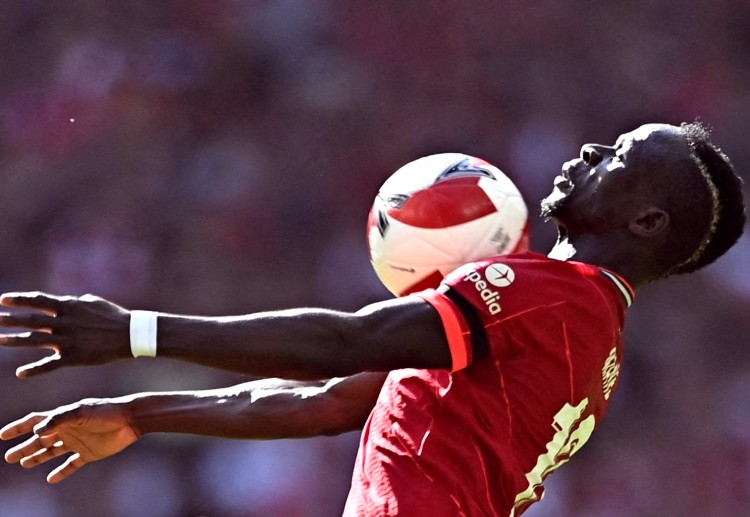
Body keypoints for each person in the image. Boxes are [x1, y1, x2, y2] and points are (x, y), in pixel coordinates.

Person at [0, 122, 745, 516]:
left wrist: (132, 332)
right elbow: (330, 402)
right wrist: (141, 415)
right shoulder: (586, 329)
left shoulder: (547, 294)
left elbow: (343, 341)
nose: (592, 148)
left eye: (618, 154)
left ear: (646, 220)